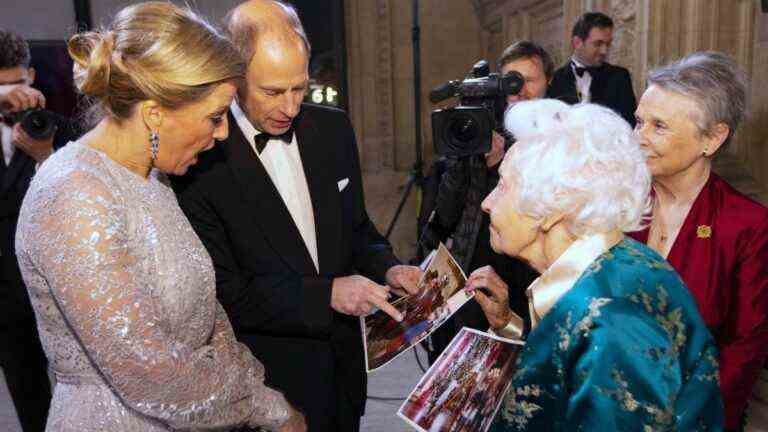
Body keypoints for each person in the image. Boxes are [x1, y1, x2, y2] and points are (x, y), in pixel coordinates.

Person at [14, 3, 306, 431]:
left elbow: (207, 317)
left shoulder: (151, 178)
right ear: (154, 113)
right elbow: (151, 374)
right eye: (214, 116)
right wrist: (268, 410)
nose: (223, 132)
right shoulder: (74, 193)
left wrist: (260, 395)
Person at [171, 1, 421, 430]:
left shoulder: (334, 129)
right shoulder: (201, 157)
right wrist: (327, 294)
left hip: (343, 372)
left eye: (300, 88)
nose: (290, 107)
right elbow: (225, 293)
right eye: (272, 91)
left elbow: (357, 230)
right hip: (269, 383)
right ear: (234, 77)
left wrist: (390, 266)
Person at [466, 99, 723, 430]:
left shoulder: (611, 321)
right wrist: (509, 325)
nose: (488, 204)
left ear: (554, 206)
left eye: (502, 187)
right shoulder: (618, 261)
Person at [629, 51, 768, 431]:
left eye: (659, 126)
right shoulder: (618, 203)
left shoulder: (746, 225)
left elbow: (743, 350)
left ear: (713, 138)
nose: (638, 137)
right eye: (639, 121)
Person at [421, 40, 551, 363]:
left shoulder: (556, 141)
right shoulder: (475, 130)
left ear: (548, 81)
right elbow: (444, 217)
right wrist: (460, 161)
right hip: (470, 276)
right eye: (510, 82)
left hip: (523, 284)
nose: (518, 91)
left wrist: (499, 169)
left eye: (527, 80)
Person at [0, 27, 57, 432]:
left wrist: (44, 154)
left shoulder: (54, 125)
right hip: (5, 299)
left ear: (32, 78)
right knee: (29, 396)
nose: (12, 96)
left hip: (50, 284)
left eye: (17, 84)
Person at [547, 12, 636, 127]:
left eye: (608, 44)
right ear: (577, 43)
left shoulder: (620, 77)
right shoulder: (554, 79)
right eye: (598, 44)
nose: (604, 51)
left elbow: (629, 123)